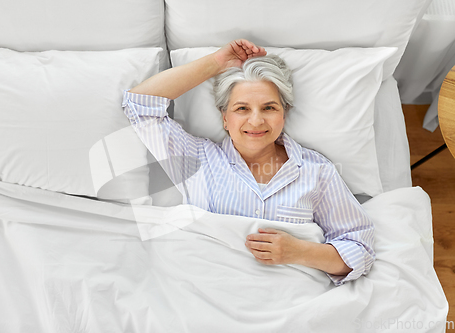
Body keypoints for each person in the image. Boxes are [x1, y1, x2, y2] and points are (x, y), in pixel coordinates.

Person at [122, 39, 374, 286]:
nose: (256, 121)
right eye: (242, 108)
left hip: (289, 302)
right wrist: (216, 62)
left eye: (269, 108)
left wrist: (299, 252)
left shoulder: (316, 171)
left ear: (284, 114)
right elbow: (139, 103)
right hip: (206, 291)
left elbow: (359, 249)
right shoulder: (195, 158)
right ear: (224, 117)